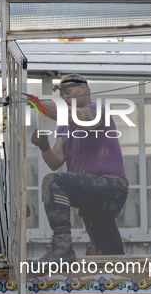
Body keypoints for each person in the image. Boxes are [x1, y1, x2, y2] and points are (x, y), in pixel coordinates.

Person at [29, 74, 129, 262]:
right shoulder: (65, 125)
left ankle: (62, 249)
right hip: (90, 196)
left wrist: (35, 102)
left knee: (53, 181)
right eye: (63, 95)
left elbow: (81, 118)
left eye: (69, 92)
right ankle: (123, 279)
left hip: (110, 187)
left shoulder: (96, 111)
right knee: (110, 252)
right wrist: (44, 146)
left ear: (83, 88)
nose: (66, 98)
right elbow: (56, 161)